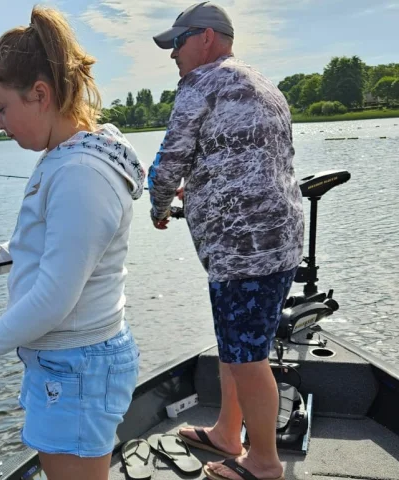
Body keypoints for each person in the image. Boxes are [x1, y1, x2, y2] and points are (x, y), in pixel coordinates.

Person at [0, 6, 146, 480]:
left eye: (1, 108)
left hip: (78, 364)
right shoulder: (64, 158)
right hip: (63, 362)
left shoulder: (81, 176)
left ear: (40, 94)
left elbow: (54, 297)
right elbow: (37, 245)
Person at [148, 2, 304, 480]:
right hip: (281, 241)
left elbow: (169, 160)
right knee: (236, 344)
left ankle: (262, 463)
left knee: (248, 357)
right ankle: (225, 432)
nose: (172, 54)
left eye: (178, 42)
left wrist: (159, 207)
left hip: (244, 250)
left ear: (207, 38)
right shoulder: (260, 82)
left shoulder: (200, 84)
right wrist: (200, 184)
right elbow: (242, 156)